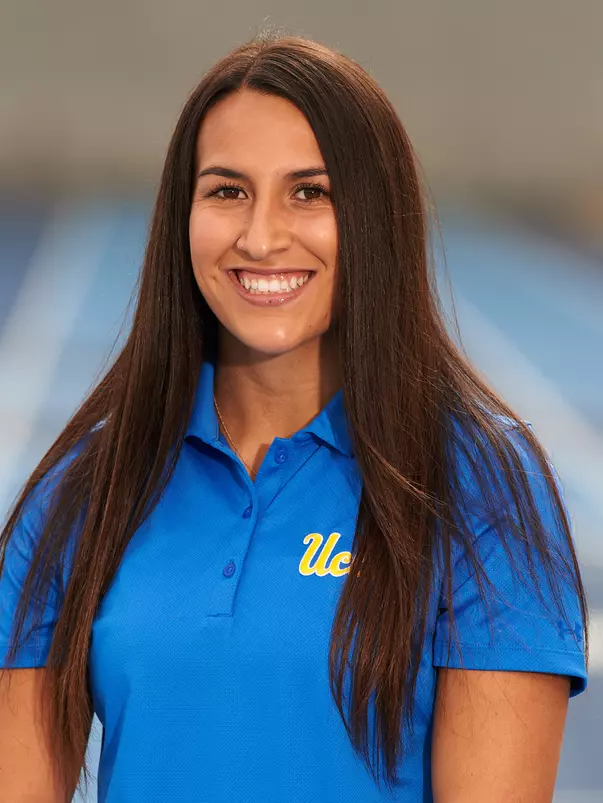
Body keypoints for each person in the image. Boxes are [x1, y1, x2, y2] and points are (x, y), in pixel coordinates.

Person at [0, 31, 588, 803]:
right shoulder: (88, 490)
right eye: (227, 190)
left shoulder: (478, 485)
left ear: (374, 220)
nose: (261, 236)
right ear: (183, 218)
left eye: (309, 192)